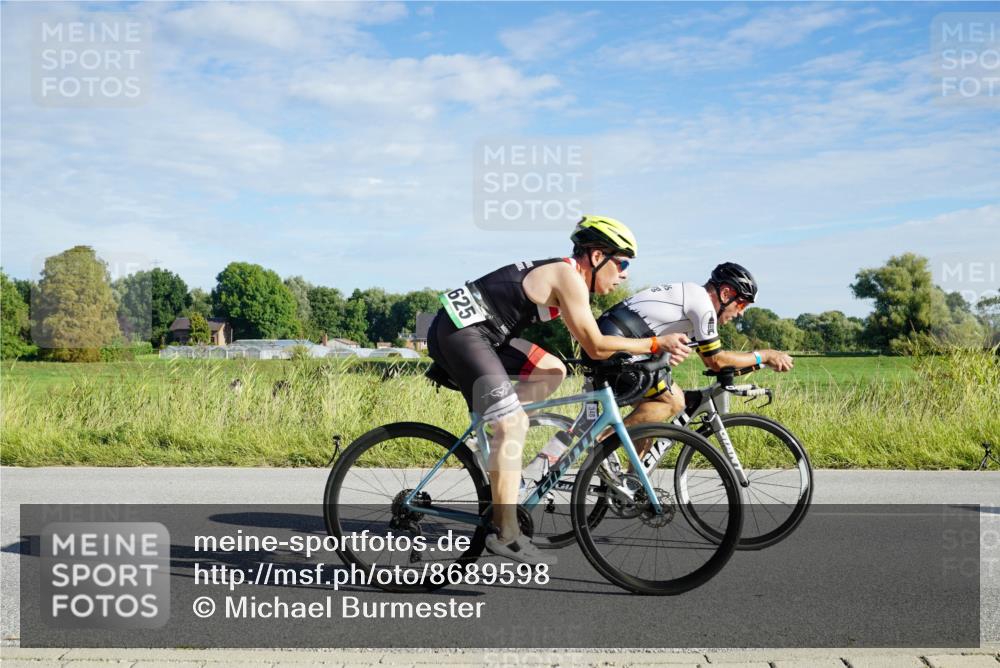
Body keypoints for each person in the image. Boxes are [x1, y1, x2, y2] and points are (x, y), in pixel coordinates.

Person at [426, 216, 692, 564]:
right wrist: (655, 342)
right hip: (462, 333)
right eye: (622, 263)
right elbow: (595, 345)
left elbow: (590, 344)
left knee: (552, 370)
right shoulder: (569, 277)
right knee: (514, 425)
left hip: (486, 334)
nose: (625, 274)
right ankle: (507, 535)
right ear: (597, 256)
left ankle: (493, 432)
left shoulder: (567, 277)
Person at [594, 262, 794, 432]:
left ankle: (631, 477)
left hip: (618, 343)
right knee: (673, 402)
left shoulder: (694, 298)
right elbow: (717, 361)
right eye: (741, 305)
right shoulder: (703, 305)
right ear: (726, 294)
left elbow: (716, 360)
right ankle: (603, 444)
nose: (741, 314)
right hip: (614, 347)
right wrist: (764, 356)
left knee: (651, 420)